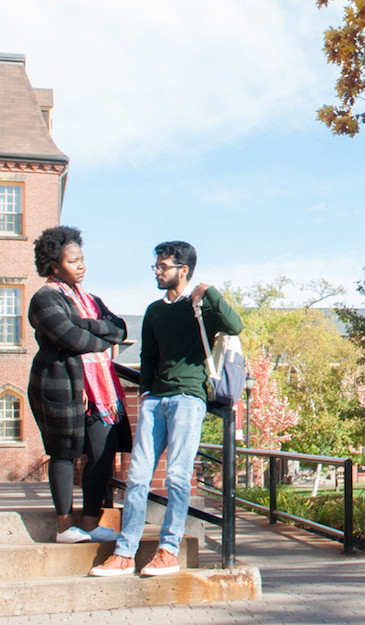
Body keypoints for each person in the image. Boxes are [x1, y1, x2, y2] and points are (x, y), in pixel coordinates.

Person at [90, 241, 243, 577]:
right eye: (156, 266)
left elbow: (235, 325)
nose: (157, 271)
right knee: (137, 478)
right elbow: (148, 358)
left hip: (189, 398)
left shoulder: (201, 306)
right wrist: (145, 393)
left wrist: (211, 292)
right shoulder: (154, 311)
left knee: (176, 476)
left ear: (183, 270)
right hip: (155, 401)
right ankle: (125, 552)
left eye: (163, 266)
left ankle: (168, 550)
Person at [27, 226, 130, 544]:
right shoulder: (44, 298)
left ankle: (88, 522)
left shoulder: (91, 299)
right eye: (73, 261)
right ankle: (64, 526)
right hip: (60, 383)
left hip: (99, 392)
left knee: (102, 452)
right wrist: (100, 335)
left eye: (82, 259)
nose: (81, 266)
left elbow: (121, 329)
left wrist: (86, 325)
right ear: (54, 265)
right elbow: (68, 337)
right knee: (63, 453)